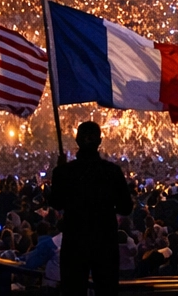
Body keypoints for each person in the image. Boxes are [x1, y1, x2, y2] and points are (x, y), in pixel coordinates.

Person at [50, 121, 134, 295]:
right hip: (105, 244)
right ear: (100, 141)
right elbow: (126, 208)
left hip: (75, 244)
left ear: (77, 140)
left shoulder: (64, 172)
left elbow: (56, 202)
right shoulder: (112, 171)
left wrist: (59, 172)